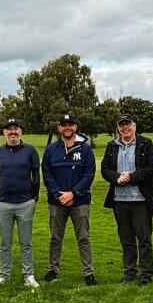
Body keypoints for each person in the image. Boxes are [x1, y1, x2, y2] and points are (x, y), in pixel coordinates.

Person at [101, 114, 153, 285]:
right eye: (121, 125)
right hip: (120, 199)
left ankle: (146, 274)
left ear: (134, 126)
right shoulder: (112, 145)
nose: (125, 128)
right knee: (126, 238)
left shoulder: (145, 143)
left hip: (141, 199)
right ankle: (129, 273)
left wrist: (131, 177)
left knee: (144, 238)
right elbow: (105, 169)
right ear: (118, 128)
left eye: (128, 125)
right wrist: (117, 178)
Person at [42, 114, 97, 285]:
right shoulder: (51, 150)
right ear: (59, 128)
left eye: (70, 124)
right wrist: (60, 195)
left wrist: (73, 193)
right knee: (55, 238)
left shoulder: (85, 149)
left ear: (75, 127)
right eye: (63, 125)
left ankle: (88, 273)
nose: (67, 127)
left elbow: (89, 174)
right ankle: (53, 270)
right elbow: (47, 174)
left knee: (83, 238)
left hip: (80, 201)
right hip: (56, 202)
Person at [0, 119, 41, 288]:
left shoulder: (30, 151)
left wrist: (35, 197)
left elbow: (36, 175)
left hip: (25, 203)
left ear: (21, 131)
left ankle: (29, 275)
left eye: (16, 129)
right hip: (3, 203)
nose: (12, 132)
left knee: (26, 242)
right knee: (5, 243)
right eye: (9, 129)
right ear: (5, 132)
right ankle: (4, 274)